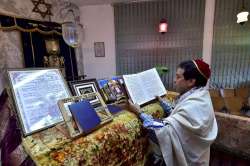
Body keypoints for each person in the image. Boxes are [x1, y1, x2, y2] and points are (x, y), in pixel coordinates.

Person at [129, 59, 218, 166]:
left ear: (191, 81)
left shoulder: (194, 106)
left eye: (178, 77)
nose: (174, 80)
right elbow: (179, 118)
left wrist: (139, 112)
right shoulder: (200, 96)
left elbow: (161, 133)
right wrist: (162, 102)